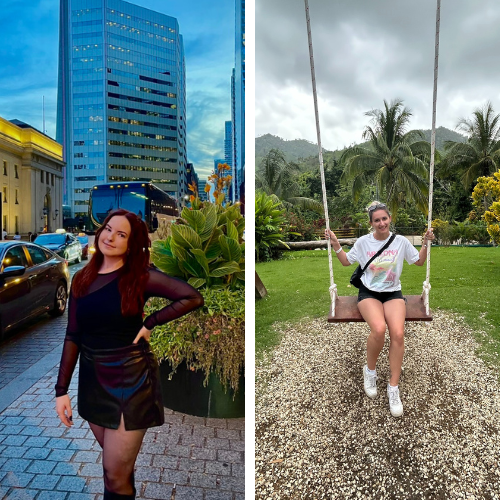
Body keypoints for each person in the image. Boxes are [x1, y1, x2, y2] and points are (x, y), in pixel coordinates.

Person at [55, 209, 204, 499]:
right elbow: (73, 335)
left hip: (131, 380)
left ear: (131, 243)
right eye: (108, 229)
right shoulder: (82, 278)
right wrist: (61, 391)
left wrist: (151, 322)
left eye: (121, 234)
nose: (110, 237)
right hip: (93, 381)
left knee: (114, 472)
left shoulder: (140, 276)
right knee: (119, 471)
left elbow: (192, 297)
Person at [325, 201, 435, 417]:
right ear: (371, 223)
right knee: (378, 329)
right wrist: (336, 243)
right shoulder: (364, 243)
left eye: (384, 218)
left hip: (393, 293)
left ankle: (393, 387)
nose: (381, 223)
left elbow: (419, 262)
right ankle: (370, 371)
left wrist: (425, 242)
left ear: (390, 219)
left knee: (398, 333)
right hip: (369, 293)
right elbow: (347, 262)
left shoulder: (401, 242)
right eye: (377, 220)